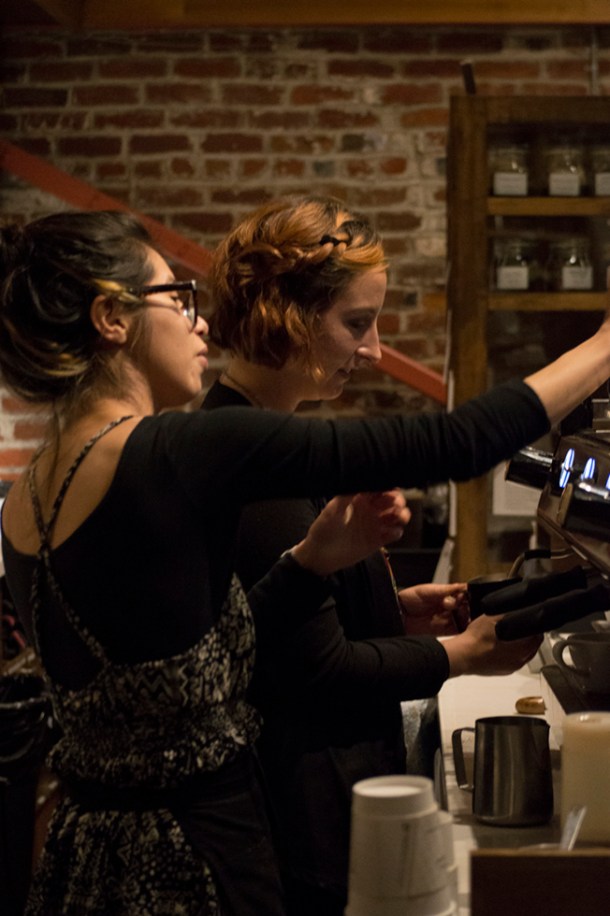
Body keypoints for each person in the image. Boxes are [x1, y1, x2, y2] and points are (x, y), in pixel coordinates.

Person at [0, 210, 608, 916]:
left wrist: (309, 565)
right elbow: (459, 442)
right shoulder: (174, 449)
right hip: (199, 856)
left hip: (90, 855)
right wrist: (602, 346)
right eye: (177, 298)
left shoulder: (31, 489)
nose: (200, 323)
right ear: (111, 317)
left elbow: (181, 673)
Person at [202, 193, 610, 914]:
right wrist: (462, 654)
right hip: (302, 810)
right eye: (356, 324)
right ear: (286, 318)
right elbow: (312, 669)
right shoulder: (252, 465)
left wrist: (392, 609)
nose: (376, 350)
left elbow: (281, 616)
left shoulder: (264, 438)